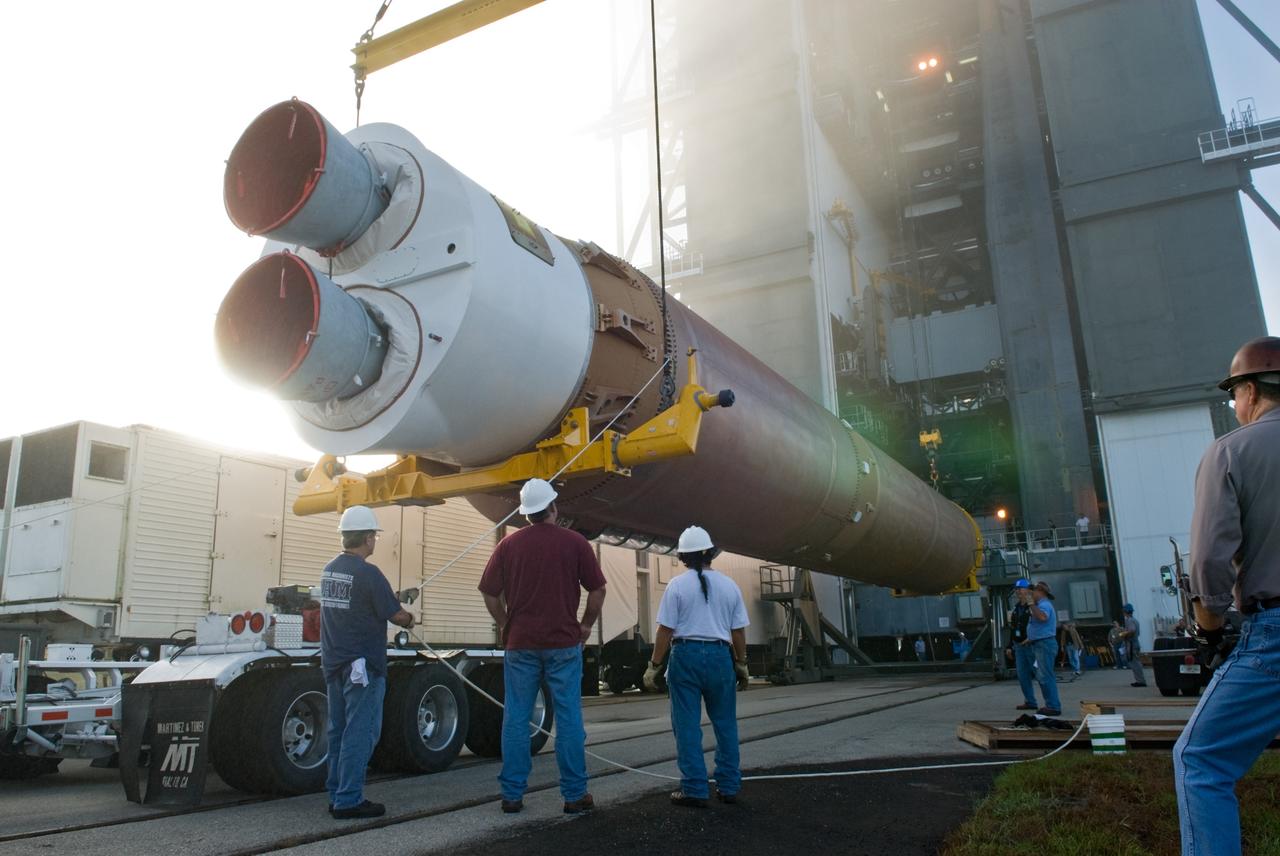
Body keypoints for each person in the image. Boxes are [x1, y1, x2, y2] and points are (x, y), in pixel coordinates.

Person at [1174, 336, 1280, 856]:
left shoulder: (1232, 451)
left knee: (1201, 760)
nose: (1234, 406)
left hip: (1275, 635)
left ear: (1252, 390)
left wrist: (1210, 630)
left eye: (1233, 395)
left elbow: (1209, 562)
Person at [478, 478, 607, 816]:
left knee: (517, 718)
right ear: (553, 507)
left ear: (525, 513)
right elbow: (598, 590)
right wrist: (586, 625)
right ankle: (575, 795)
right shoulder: (575, 543)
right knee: (568, 719)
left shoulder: (508, 546)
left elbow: (489, 592)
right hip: (564, 644)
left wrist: (506, 623)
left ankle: (512, 795)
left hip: (520, 645)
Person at [643, 526, 750, 808]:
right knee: (725, 723)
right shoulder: (730, 585)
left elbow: (665, 630)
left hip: (685, 656)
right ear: (710, 554)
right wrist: (741, 663)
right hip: (720, 656)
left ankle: (694, 789)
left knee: (687, 725)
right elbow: (738, 632)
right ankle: (728, 787)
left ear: (683, 557)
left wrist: (654, 666)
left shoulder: (677, 586)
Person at [321, 505, 416, 820]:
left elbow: (358, 601)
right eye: (374, 535)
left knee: (339, 731)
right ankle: (349, 799)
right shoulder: (369, 573)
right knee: (361, 732)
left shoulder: (330, 570)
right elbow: (396, 615)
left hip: (334, 664)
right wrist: (409, 618)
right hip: (362, 667)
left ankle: (336, 793)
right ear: (366, 537)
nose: (375, 540)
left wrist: (394, 596)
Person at [1022, 581, 1061, 716]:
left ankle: (1053, 706)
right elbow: (1039, 626)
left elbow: (1043, 617)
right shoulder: (1040, 605)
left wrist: (1031, 604)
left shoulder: (1044, 605)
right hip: (1040, 643)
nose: (1032, 594)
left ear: (1041, 592)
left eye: (1034, 591)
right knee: (1043, 675)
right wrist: (1030, 638)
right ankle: (1051, 704)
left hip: (1044, 645)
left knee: (1045, 676)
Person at [1009, 579, 1038, 711]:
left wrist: (1031, 638)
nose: (1018, 591)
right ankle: (1030, 701)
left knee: (1039, 674)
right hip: (1019, 646)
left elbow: (1038, 624)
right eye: (1016, 589)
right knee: (1022, 675)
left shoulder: (1033, 607)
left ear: (1028, 590)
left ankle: (1051, 703)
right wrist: (1010, 646)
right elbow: (1013, 628)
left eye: (1020, 588)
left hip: (1031, 645)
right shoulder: (1016, 609)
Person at [1119, 603, 1147, 687]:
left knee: (1135, 663)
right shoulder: (1134, 620)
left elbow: (1132, 630)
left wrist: (1123, 634)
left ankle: (1140, 681)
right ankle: (1139, 680)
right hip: (1134, 643)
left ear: (1125, 611)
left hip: (1132, 644)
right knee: (1135, 662)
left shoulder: (1129, 620)